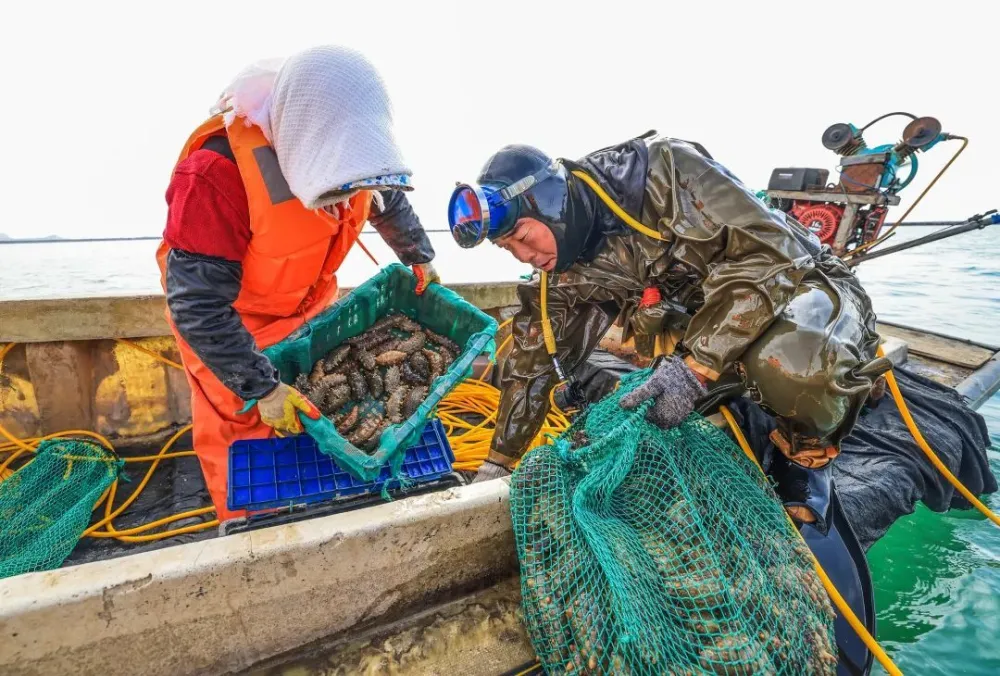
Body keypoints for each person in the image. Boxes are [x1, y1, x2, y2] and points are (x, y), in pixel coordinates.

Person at [447, 131, 891, 528]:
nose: (523, 256)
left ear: (551, 201)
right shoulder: (564, 265)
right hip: (705, 315)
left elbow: (770, 255)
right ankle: (738, 386)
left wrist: (696, 367)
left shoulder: (664, 171)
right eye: (508, 250)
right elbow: (532, 360)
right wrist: (498, 463)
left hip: (802, 279)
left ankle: (807, 451)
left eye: (524, 236)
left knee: (796, 364)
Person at [157, 46, 439, 519]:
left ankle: (323, 499)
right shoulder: (215, 172)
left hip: (308, 302)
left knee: (317, 403)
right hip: (232, 324)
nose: (353, 194)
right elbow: (197, 306)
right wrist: (261, 388)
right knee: (242, 427)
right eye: (342, 184)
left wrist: (418, 256)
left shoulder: (356, 152)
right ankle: (251, 535)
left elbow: (387, 199)